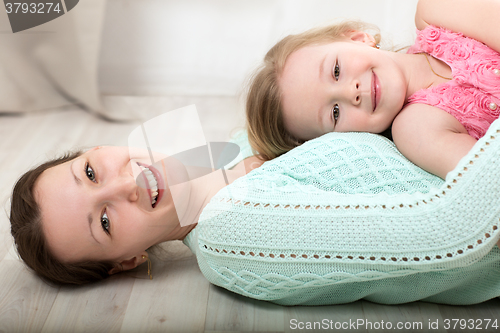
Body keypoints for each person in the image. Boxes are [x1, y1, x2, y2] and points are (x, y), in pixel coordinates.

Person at [245, 0, 500, 179]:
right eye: (335, 112)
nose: (350, 93)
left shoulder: (435, 11)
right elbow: (489, 188)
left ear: (358, 38)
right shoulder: (416, 128)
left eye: (336, 70)